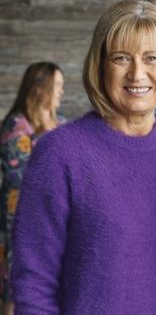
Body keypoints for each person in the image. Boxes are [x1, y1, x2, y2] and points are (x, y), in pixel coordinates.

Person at [11, 0, 156, 314]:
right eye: (121, 58)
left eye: (151, 58)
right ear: (100, 65)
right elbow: (34, 284)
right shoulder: (59, 154)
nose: (137, 74)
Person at [0, 62, 65, 315]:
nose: (61, 91)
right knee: (16, 286)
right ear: (41, 88)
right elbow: (19, 178)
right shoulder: (16, 127)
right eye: (57, 86)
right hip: (20, 219)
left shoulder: (62, 124)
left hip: (58, 219)